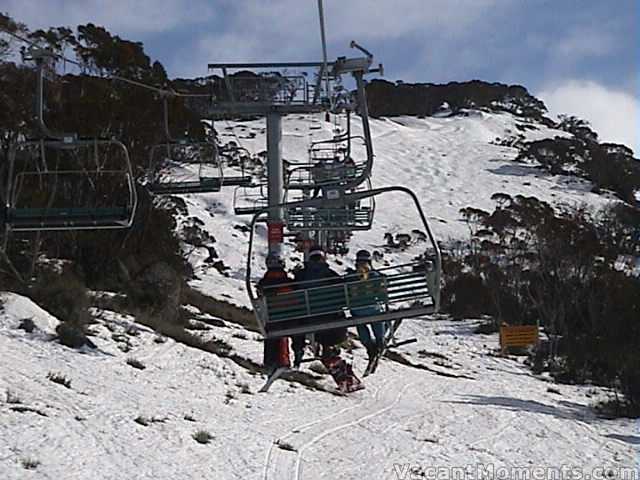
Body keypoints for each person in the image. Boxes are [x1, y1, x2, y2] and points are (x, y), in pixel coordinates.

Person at [294, 245, 362, 392]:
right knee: (328, 346)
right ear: (323, 258)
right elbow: (343, 295)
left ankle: (347, 380)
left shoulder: (301, 275)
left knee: (326, 347)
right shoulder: (330, 275)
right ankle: (347, 380)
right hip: (333, 320)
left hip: (310, 320)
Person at [348, 249, 388, 361]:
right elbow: (383, 287)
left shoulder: (351, 277)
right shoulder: (374, 275)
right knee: (377, 317)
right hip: (373, 309)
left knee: (360, 322)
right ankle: (380, 340)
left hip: (357, 310)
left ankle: (369, 346)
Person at [257, 253, 293, 375]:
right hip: (290, 318)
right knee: (281, 333)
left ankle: (269, 362)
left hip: (271, 319)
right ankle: (282, 360)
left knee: (271, 334)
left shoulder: (263, 283)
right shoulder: (287, 282)